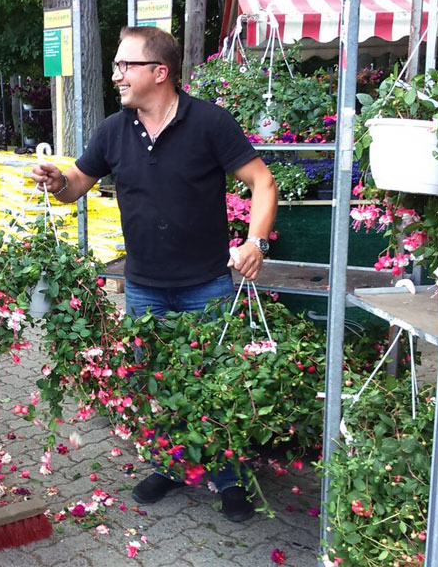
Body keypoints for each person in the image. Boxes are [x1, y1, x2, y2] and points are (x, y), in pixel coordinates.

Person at [31, 26, 278, 522]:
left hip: (206, 284)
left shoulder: (209, 122)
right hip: (144, 287)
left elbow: (263, 181)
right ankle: (171, 464)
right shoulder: (113, 129)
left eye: (126, 65)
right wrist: (58, 182)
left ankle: (228, 475)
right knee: (156, 384)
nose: (116, 75)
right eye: (117, 66)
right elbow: (77, 183)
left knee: (216, 383)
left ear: (159, 72)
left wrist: (255, 242)